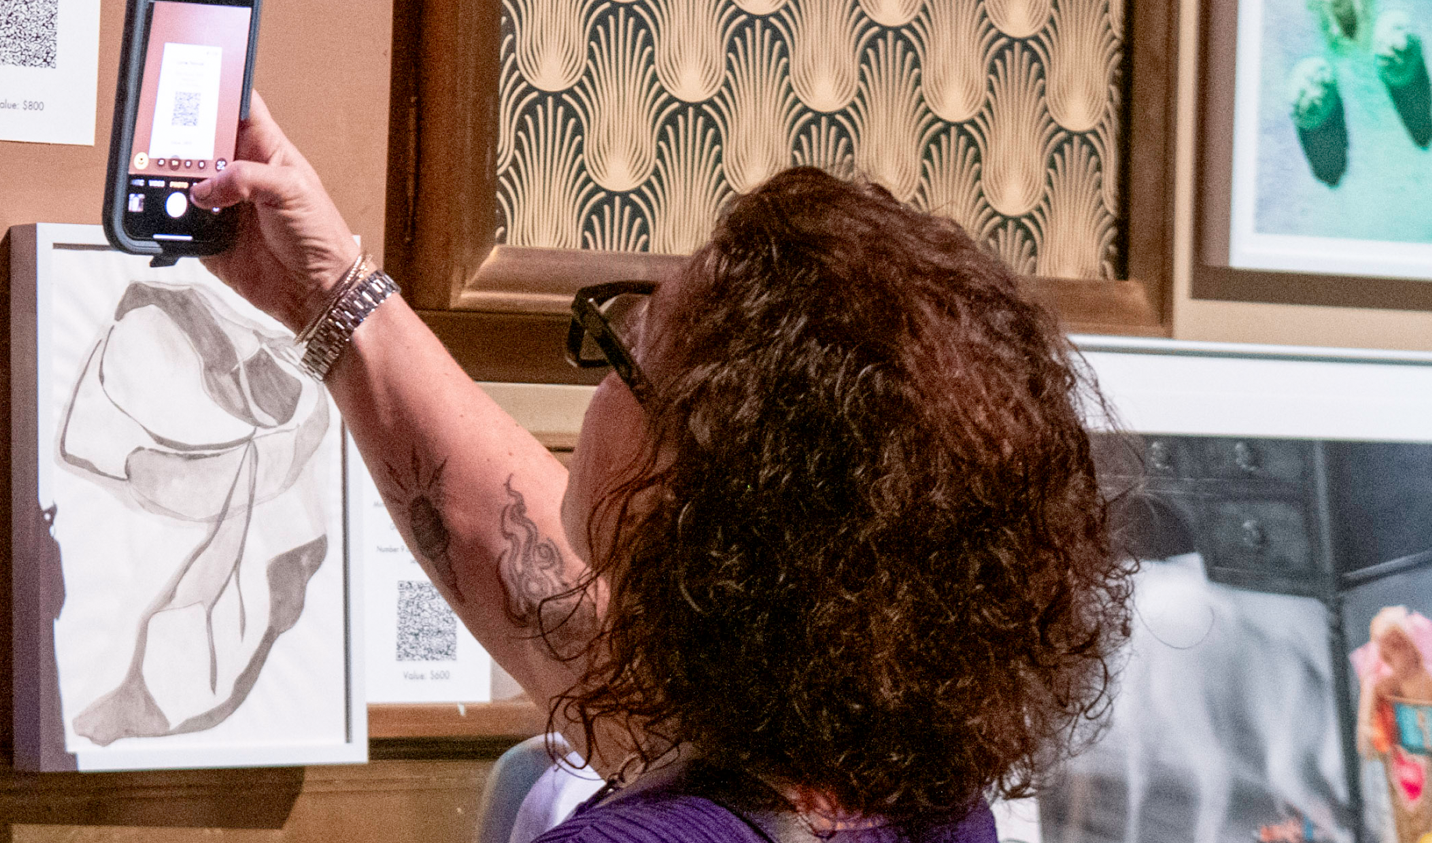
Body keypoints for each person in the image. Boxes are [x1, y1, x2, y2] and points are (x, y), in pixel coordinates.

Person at [191, 95, 1128, 843]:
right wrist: (330, 298)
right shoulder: (918, 798)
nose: (600, 378)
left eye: (630, 344)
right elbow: (561, 618)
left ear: (697, 493)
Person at [1353, 607, 1432, 843]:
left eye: (1396, 649)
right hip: (1401, 781)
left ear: (1412, 647)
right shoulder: (1384, 688)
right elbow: (1364, 746)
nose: (1388, 660)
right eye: (1385, 654)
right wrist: (1368, 689)